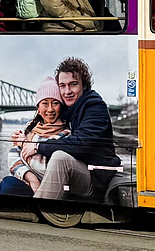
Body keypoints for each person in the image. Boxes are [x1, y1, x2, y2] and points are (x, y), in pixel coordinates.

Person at [33, 57, 117, 200]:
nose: (67, 91)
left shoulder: (95, 107)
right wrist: (24, 136)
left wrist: (37, 146)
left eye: (73, 84)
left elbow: (79, 145)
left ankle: (39, 210)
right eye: (62, 86)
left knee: (60, 158)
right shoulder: (68, 109)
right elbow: (42, 122)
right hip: (82, 169)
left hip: (96, 177)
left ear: (84, 85)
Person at [0, 79, 69, 195]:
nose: (50, 109)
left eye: (55, 103)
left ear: (61, 107)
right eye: (45, 103)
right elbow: (12, 158)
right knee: (6, 184)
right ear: (38, 109)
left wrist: (25, 143)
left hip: (49, 189)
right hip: (29, 183)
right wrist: (31, 178)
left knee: (7, 187)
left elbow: (47, 166)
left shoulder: (66, 134)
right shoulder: (29, 130)